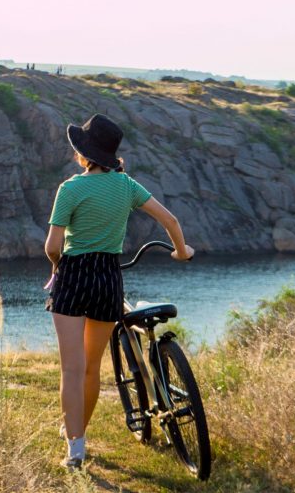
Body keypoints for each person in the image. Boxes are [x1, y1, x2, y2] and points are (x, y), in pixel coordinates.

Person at [44, 113, 193, 470]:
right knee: (91, 368)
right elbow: (170, 220)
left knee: (71, 369)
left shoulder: (70, 189)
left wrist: (56, 267)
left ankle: (75, 448)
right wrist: (182, 251)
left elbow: (53, 245)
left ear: (84, 153)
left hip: (74, 277)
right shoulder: (126, 186)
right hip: (108, 278)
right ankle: (81, 433)